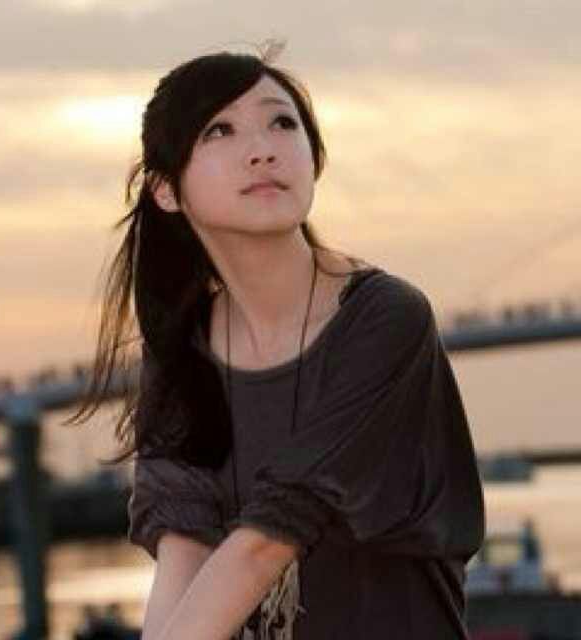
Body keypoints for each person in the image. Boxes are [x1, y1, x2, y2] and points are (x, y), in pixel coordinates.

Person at [67, 41, 485, 640]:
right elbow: (183, 547)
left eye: (282, 124)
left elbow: (267, 542)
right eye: (220, 131)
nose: (262, 149)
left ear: (314, 158)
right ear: (165, 190)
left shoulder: (386, 318)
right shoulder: (183, 345)